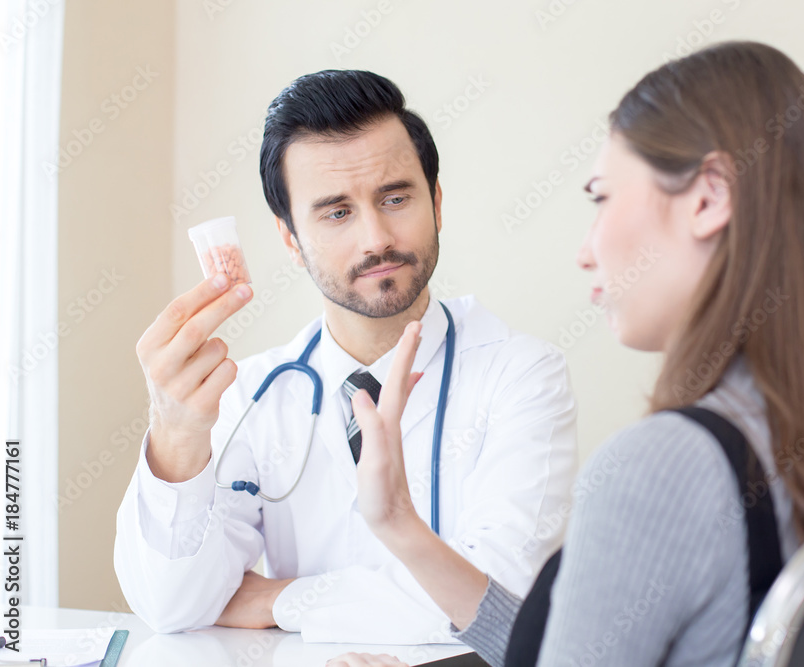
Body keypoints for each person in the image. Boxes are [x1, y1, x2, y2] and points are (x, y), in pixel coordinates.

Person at [331, 41, 804, 666]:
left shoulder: (664, 464)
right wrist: (398, 523)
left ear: (710, 196)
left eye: (601, 197)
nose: (587, 250)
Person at [113, 70, 579, 642]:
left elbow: (504, 604)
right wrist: (177, 437)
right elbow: (171, 605)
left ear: (435, 201)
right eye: (336, 212)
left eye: (396, 197)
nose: (375, 238)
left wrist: (279, 599)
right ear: (290, 238)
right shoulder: (252, 392)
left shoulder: (521, 374)